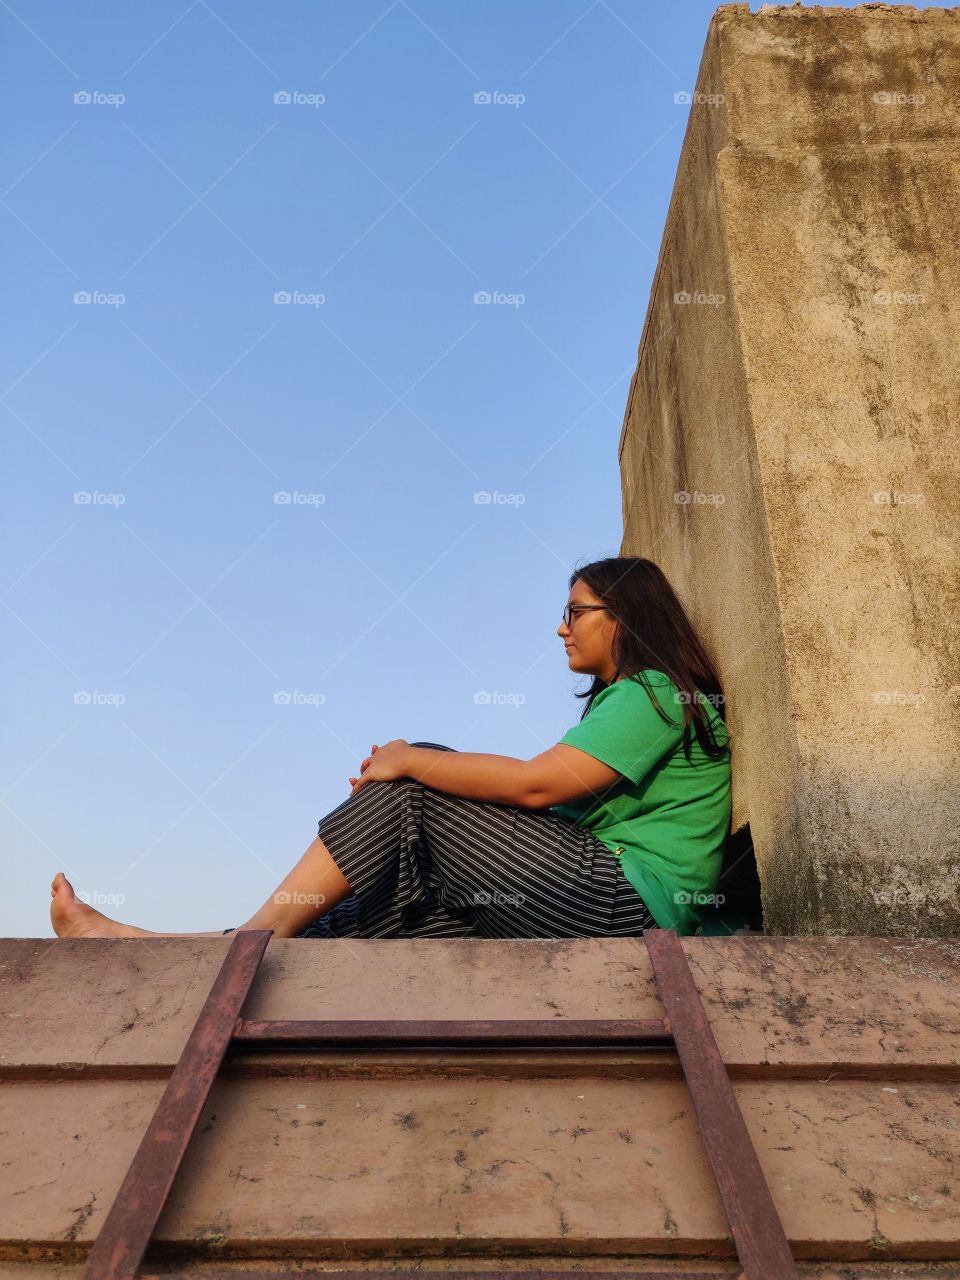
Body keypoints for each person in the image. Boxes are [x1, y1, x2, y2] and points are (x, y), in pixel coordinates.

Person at [49, 557, 731, 942]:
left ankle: (240, 947)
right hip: (595, 900)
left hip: (627, 907)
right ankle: (174, 952)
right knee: (388, 902)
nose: (560, 628)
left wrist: (410, 766)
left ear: (626, 617)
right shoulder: (635, 701)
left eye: (576, 612)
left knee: (411, 790)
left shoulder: (658, 695)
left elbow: (533, 786)